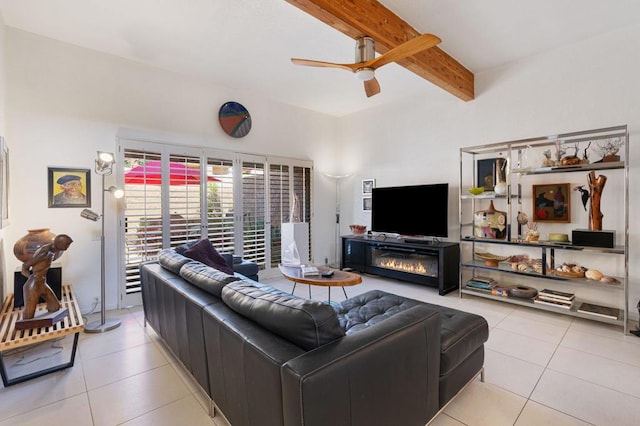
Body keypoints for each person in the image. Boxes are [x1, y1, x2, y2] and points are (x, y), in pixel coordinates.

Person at [21, 234, 73, 320]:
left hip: (42, 284)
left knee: (55, 308)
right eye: (67, 244)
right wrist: (31, 278)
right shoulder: (45, 252)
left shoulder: (51, 249)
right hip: (33, 286)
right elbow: (25, 266)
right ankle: (27, 331)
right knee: (28, 316)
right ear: (60, 243)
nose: (68, 247)